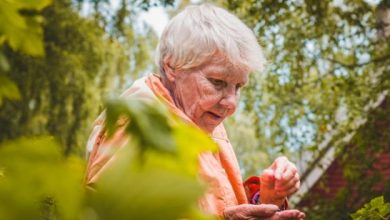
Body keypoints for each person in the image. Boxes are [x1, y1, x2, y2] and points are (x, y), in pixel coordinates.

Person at [85, 3, 305, 220]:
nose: (231, 103)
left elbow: (215, 204)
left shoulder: (200, 119)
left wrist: (266, 199)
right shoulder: (139, 128)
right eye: (217, 82)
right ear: (172, 66)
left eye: (238, 87)